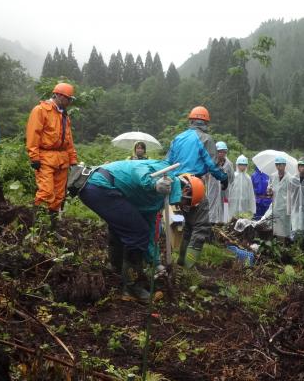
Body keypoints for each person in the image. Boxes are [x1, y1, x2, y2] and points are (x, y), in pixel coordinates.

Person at [78, 159, 200, 302]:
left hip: (98, 189)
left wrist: (156, 262)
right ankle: (132, 288)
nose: (181, 205)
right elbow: (139, 170)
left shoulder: (158, 199)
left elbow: (149, 230)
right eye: (185, 202)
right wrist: (154, 184)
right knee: (136, 233)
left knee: (127, 229)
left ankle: (118, 272)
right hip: (100, 185)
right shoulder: (167, 173)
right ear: (186, 191)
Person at [165, 106, 228, 266]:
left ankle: (181, 262)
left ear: (191, 121)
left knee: (189, 226)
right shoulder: (206, 139)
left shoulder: (178, 138)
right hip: (194, 185)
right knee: (201, 227)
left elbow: (167, 163)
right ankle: (189, 267)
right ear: (206, 122)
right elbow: (212, 165)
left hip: (177, 185)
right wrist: (223, 177)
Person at [25, 83, 78, 217]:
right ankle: (36, 228)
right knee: (46, 193)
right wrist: (34, 157)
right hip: (45, 158)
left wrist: (73, 159)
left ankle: (52, 228)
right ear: (59, 95)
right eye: (68, 99)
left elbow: (69, 140)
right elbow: (33, 135)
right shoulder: (40, 110)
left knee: (59, 195)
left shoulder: (65, 115)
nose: (69, 102)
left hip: (62, 160)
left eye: (71, 99)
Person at [206, 141, 233, 225]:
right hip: (212, 189)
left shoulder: (228, 164)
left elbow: (232, 178)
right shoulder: (211, 163)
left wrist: (226, 182)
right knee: (211, 205)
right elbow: (205, 175)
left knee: (224, 207)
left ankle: (224, 225)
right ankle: (211, 223)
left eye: (224, 152)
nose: (222, 154)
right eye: (220, 151)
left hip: (224, 191)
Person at [266, 156, 292, 240]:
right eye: (276, 164)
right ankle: (276, 241)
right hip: (275, 205)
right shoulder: (273, 176)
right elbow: (269, 192)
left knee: (284, 226)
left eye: (280, 164)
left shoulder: (290, 178)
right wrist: (269, 191)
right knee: (275, 225)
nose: (278, 166)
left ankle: (284, 243)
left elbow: (292, 193)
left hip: (285, 206)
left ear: (284, 165)